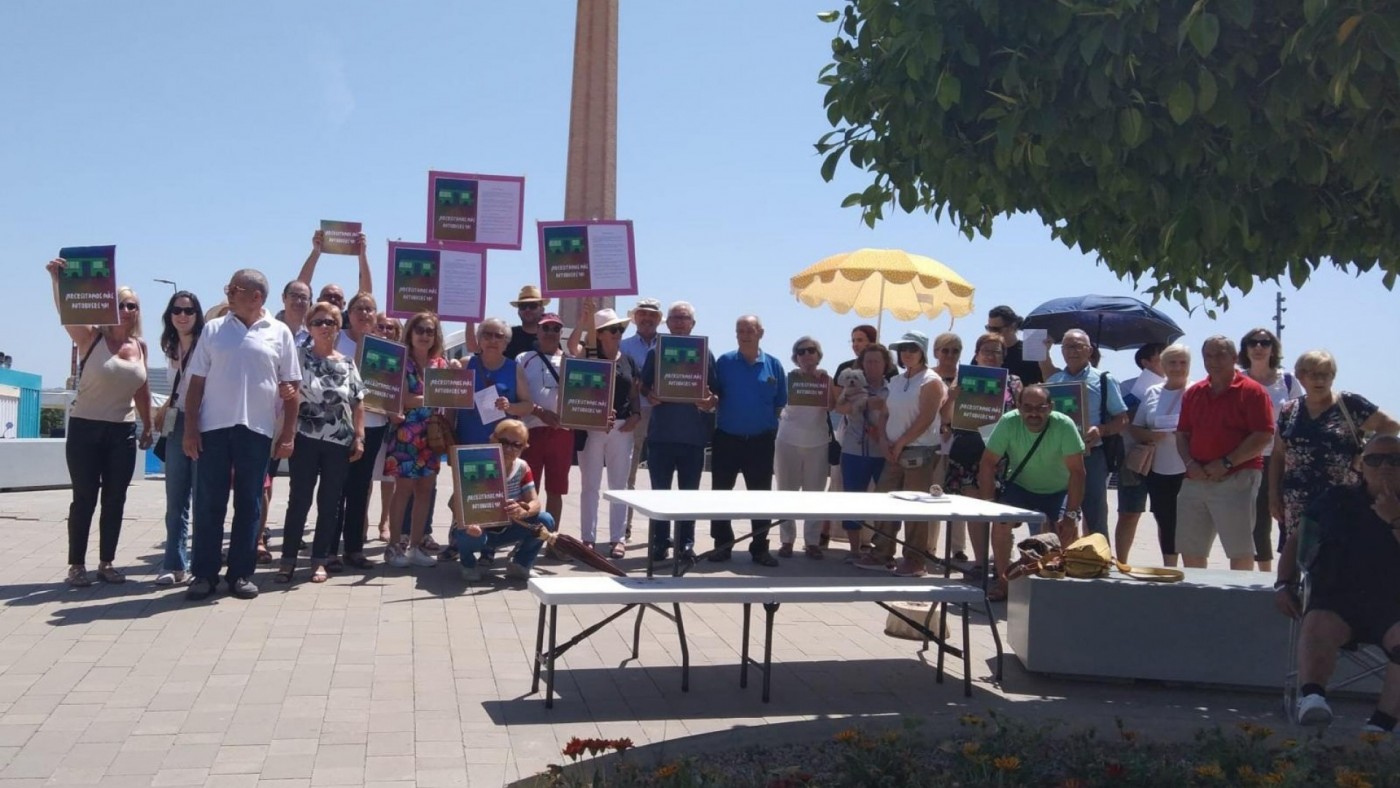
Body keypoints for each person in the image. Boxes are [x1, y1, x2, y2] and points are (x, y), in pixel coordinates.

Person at [183, 269, 300, 600]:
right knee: (209, 504)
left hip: (257, 430)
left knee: (249, 504)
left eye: (234, 289)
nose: (228, 294)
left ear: (256, 297)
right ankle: (203, 575)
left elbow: (293, 388)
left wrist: (288, 433)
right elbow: (196, 384)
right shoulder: (214, 330)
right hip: (213, 430)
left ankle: (240, 574)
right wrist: (190, 428)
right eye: (228, 288)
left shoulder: (279, 333)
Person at [1275, 435, 1400, 730]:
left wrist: (1395, 520)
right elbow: (1297, 541)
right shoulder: (1337, 499)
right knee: (1317, 622)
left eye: (1395, 460)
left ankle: (1381, 724)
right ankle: (1312, 699)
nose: (1384, 467)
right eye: (1374, 459)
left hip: (1394, 607)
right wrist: (1283, 583)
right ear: (1360, 465)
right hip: (1338, 600)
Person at [47, 261, 153, 586]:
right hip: (85, 429)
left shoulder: (141, 347)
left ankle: (107, 563)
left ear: (137, 311)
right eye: (120, 303)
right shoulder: (90, 337)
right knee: (85, 497)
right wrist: (57, 279)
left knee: (115, 499)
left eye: (131, 305)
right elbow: (67, 312)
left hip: (121, 431)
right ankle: (76, 566)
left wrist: (148, 425)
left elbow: (142, 390)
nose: (126, 309)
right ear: (110, 307)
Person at [276, 302, 365, 584]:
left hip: (338, 440)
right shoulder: (298, 357)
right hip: (304, 438)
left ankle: (319, 560)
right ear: (309, 327)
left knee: (330, 503)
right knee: (299, 499)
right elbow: (285, 390)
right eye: (318, 322)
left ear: (338, 328)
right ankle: (288, 559)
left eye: (330, 322)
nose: (324, 327)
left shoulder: (346, 362)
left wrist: (359, 436)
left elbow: (358, 400)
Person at [1271, 350, 1400, 545]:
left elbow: (1391, 426)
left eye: (1326, 374)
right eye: (1313, 373)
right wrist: (1273, 495)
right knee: (1300, 554)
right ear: (1300, 376)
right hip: (1297, 500)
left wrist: (1364, 454)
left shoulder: (1349, 404)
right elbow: (1279, 454)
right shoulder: (1290, 410)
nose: (1320, 380)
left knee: (1339, 554)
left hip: (1342, 497)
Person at [1174, 335, 1275, 571]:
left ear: (1234, 357)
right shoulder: (1194, 392)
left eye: (1220, 355)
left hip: (1237, 477)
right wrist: (1190, 463)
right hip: (1195, 478)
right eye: (1208, 355)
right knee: (1190, 548)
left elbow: (1263, 435)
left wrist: (1227, 463)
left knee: (1239, 549)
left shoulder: (1253, 391)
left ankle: (1239, 602)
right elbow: (1182, 435)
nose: (1214, 361)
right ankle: (1197, 601)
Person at [855, 331, 947, 577]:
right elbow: (886, 413)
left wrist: (902, 441)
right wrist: (884, 440)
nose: (907, 353)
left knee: (915, 508)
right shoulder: (896, 381)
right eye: (903, 348)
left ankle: (915, 560)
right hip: (894, 450)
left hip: (921, 451)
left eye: (912, 348)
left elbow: (926, 417)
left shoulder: (931, 381)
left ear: (922, 352)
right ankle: (882, 552)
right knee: (886, 500)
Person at [642, 301, 717, 566]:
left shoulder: (705, 354)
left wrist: (710, 401)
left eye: (684, 318)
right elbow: (643, 385)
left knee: (688, 497)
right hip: (661, 436)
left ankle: (686, 545)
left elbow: (716, 392)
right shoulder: (656, 352)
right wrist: (649, 394)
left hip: (692, 438)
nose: (679, 322)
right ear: (668, 323)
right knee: (660, 496)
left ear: (693, 324)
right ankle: (659, 544)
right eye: (674, 317)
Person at [707, 315, 785, 566]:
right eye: (740, 330)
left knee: (760, 497)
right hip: (727, 438)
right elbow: (715, 396)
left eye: (750, 330)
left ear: (761, 332)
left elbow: (779, 403)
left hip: (761, 442)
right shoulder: (725, 362)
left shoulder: (774, 365)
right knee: (720, 495)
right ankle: (722, 545)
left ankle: (760, 549)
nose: (745, 334)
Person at [1045, 329, 1128, 541]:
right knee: (1057, 512)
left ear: (1089, 350)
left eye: (1078, 346)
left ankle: (1100, 561)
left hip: (1091, 455)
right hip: (1057, 457)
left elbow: (1122, 419)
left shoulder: (1104, 380)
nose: (1072, 351)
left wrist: (1100, 430)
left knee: (1095, 512)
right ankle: (1058, 561)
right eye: (1067, 346)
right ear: (1061, 351)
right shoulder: (1053, 381)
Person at [453, 419, 559, 582]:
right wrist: (469, 519)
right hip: (480, 530)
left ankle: (520, 564)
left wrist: (525, 511)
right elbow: (454, 502)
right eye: (504, 442)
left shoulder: (522, 467)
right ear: (493, 440)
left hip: (507, 528)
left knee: (545, 520)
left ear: (524, 447)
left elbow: (535, 502)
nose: (509, 448)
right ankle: (468, 564)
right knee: (466, 532)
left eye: (516, 445)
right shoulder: (476, 462)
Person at [382, 312, 449, 569]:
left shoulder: (441, 364)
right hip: (406, 436)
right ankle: (394, 546)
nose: (424, 335)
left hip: (432, 437)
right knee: (404, 491)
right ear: (410, 332)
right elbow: (404, 399)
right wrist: (434, 396)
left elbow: (450, 400)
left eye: (430, 331)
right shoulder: (401, 361)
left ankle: (416, 547)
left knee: (425, 492)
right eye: (419, 329)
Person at [954, 333, 1024, 574]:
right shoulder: (962, 380)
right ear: (976, 354)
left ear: (1004, 357)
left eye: (997, 351)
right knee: (975, 508)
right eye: (987, 351)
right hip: (971, 453)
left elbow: (1020, 416)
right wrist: (953, 397)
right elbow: (946, 417)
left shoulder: (1014, 382)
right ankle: (980, 562)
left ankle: (1001, 560)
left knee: (998, 508)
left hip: (1002, 454)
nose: (992, 355)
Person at [334, 292, 395, 566]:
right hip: (339, 424)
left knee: (360, 488)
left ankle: (354, 548)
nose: (365, 313)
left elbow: (392, 388)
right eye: (359, 308)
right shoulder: (337, 338)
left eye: (370, 309)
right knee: (336, 488)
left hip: (374, 425)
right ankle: (327, 549)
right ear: (349, 312)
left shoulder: (386, 346)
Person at [576, 308, 642, 557]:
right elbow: (573, 353)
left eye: (620, 329)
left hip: (623, 428)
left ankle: (618, 538)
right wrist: (584, 325)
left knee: (619, 485)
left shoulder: (629, 360)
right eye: (612, 330)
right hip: (592, 429)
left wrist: (636, 415)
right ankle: (587, 539)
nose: (618, 334)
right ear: (600, 334)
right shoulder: (588, 357)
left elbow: (634, 391)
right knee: (590, 485)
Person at [1239, 328, 1303, 572]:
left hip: (1284, 458)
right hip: (1250, 458)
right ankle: (1266, 576)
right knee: (1258, 522)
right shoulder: (1239, 379)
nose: (1258, 347)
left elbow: (1301, 415)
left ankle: (1291, 572)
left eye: (1264, 342)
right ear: (1245, 349)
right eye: (1252, 343)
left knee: (1289, 517)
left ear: (1273, 348)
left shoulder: (1288, 381)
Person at [155, 291, 205, 585]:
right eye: (176, 310)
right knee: (175, 498)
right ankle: (174, 563)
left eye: (188, 310)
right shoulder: (170, 346)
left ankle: (200, 563)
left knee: (202, 497)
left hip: (201, 421)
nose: (182, 315)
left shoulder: (205, 344)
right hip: (176, 423)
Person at [1130, 343, 1191, 566]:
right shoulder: (1152, 392)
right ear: (1163, 365)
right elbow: (1135, 429)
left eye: (1183, 362)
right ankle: (1170, 569)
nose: (1177, 367)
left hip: (1190, 469)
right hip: (1158, 468)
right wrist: (1151, 435)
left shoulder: (1197, 391)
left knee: (1191, 523)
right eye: (1172, 362)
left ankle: (1194, 571)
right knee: (1166, 521)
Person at [833, 343, 893, 561]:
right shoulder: (853, 388)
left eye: (877, 361)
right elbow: (840, 408)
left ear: (886, 364)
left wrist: (876, 404)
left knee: (888, 502)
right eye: (868, 361)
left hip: (883, 451)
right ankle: (854, 549)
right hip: (853, 449)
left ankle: (885, 549)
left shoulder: (893, 388)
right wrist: (865, 402)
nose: (872, 366)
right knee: (852, 500)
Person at [775, 336, 832, 558]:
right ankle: (787, 540)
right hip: (787, 440)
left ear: (818, 355)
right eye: (801, 351)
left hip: (817, 442)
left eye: (811, 351)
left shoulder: (827, 379)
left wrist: (824, 382)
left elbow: (833, 406)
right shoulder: (788, 379)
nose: (807, 355)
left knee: (815, 494)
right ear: (795, 357)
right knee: (785, 492)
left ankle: (812, 541)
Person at [518, 312, 571, 527]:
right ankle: (527, 541)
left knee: (556, 489)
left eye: (555, 329)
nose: (550, 333)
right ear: (537, 330)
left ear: (561, 333)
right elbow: (517, 394)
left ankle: (552, 539)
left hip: (562, 432)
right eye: (545, 328)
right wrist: (539, 412)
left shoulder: (571, 361)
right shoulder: (523, 358)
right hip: (531, 430)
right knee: (529, 489)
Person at [1114, 343, 1166, 563]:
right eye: (1161, 356)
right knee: (1129, 512)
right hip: (1132, 458)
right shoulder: (1126, 386)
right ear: (1145, 362)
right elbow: (1120, 418)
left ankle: (1169, 563)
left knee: (1165, 516)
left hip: (1165, 461)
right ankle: (1122, 562)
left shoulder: (1175, 387)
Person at [620, 297, 663, 539]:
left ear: (659, 320)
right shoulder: (624, 347)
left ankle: (659, 532)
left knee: (661, 474)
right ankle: (624, 527)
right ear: (635, 318)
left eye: (652, 315)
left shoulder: (669, 345)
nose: (647, 319)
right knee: (629, 474)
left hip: (664, 412)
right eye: (642, 314)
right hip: (635, 413)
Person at [930, 332, 967, 560]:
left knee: (958, 497)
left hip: (960, 443)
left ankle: (958, 548)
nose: (950, 355)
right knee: (932, 495)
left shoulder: (966, 377)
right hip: (933, 442)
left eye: (955, 351)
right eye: (945, 350)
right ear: (936, 352)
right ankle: (929, 546)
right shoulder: (928, 377)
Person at [296, 229, 372, 327]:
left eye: (337, 297)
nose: (332, 299)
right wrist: (316, 252)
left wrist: (362, 255)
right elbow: (300, 287)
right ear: (318, 300)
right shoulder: (310, 316)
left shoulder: (348, 321)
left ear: (344, 304)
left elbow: (366, 295)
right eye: (327, 296)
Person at [372, 314, 402, 542]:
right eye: (380, 326)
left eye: (390, 327)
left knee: (388, 479)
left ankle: (385, 521)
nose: (385, 330)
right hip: (369, 420)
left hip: (392, 424)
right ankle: (362, 519)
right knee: (365, 477)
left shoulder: (403, 356)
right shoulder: (366, 351)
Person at [986, 305, 1043, 385]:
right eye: (989, 328)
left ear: (1012, 326)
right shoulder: (984, 353)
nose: (991, 333)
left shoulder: (1030, 352)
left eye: (996, 329)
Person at [505, 285, 550, 359]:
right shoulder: (507, 336)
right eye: (523, 306)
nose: (527, 309)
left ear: (542, 310)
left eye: (533, 306)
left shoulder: (550, 337)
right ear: (518, 311)